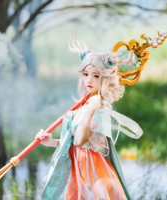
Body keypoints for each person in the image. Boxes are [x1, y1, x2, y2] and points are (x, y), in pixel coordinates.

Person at [35, 32, 143, 200]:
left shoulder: (100, 109)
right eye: (85, 74)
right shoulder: (85, 106)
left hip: (96, 176)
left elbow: (80, 140)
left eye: (96, 75)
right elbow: (77, 146)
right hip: (79, 175)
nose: (89, 80)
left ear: (105, 79)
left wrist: (92, 110)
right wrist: (52, 142)